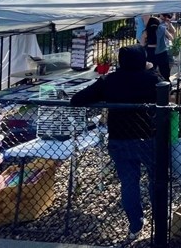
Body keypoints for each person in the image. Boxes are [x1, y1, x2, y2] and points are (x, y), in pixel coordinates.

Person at [71, 44, 163, 240]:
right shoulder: (151, 79)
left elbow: (77, 99)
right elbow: (166, 90)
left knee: (129, 183)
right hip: (148, 137)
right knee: (157, 180)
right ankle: (160, 223)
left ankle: (135, 225)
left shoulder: (110, 81)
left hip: (120, 138)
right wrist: (151, 69)